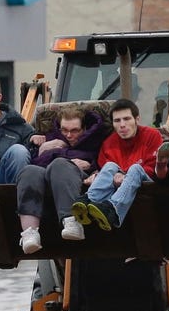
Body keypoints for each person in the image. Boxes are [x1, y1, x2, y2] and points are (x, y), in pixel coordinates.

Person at [16, 105, 110, 254]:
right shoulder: (53, 138)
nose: (69, 135)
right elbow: (35, 160)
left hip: (80, 178)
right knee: (29, 171)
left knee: (60, 164)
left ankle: (71, 221)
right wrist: (41, 148)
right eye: (64, 130)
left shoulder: (97, 140)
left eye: (74, 131)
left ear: (84, 128)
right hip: (46, 177)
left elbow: (104, 161)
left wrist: (90, 165)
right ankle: (29, 232)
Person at [71, 98, 163, 232]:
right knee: (109, 166)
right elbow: (105, 170)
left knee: (136, 169)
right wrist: (97, 176)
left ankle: (113, 210)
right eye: (117, 121)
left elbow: (153, 169)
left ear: (137, 120)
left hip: (146, 183)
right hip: (117, 185)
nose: (122, 125)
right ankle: (87, 201)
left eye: (127, 119)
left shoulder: (152, 135)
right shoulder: (108, 143)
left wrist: (124, 176)